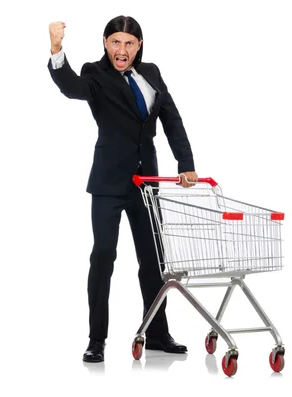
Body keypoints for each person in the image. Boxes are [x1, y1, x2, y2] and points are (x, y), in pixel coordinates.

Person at [47, 15, 198, 363]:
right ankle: (96, 339)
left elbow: (171, 118)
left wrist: (185, 162)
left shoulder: (153, 74)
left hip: (146, 183)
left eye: (129, 44)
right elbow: (72, 87)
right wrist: (57, 51)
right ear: (105, 43)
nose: (122, 50)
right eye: (115, 42)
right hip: (109, 183)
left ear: (139, 46)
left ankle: (157, 332)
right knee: (103, 256)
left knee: (153, 260)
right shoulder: (94, 74)